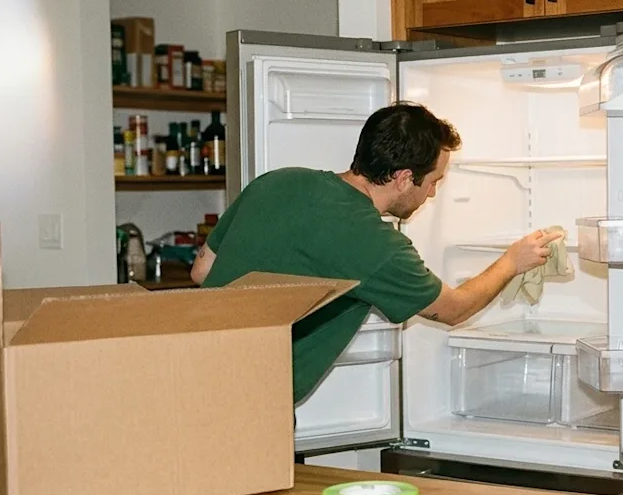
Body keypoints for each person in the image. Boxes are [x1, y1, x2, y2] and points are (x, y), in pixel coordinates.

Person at [190, 102, 553, 405]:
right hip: (250, 401)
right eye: (433, 182)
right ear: (404, 178)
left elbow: (202, 271)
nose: (431, 194)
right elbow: (454, 309)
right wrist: (512, 261)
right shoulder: (377, 245)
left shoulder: (277, 181)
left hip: (183, 369)